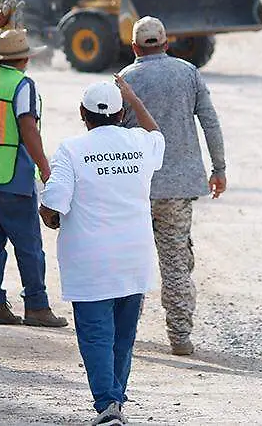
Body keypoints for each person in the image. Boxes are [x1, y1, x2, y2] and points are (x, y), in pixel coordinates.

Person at [40, 77, 165, 426]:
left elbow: (55, 201)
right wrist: (135, 98)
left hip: (90, 262)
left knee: (97, 335)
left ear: (83, 113)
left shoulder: (71, 149)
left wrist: (48, 216)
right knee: (123, 337)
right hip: (134, 258)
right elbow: (158, 136)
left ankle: (108, 405)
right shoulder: (140, 143)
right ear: (121, 113)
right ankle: (115, 402)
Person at [119, 16, 226, 356]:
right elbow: (210, 122)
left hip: (135, 188)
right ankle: (180, 336)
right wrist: (219, 168)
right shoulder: (188, 73)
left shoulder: (125, 81)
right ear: (167, 43)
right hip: (178, 189)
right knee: (176, 261)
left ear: (135, 47)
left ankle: (126, 335)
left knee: (131, 263)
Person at [0, 9, 68, 328]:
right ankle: (36, 306)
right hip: (13, 176)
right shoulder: (23, 85)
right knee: (29, 246)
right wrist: (46, 170)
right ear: (24, 59)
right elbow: (28, 129)